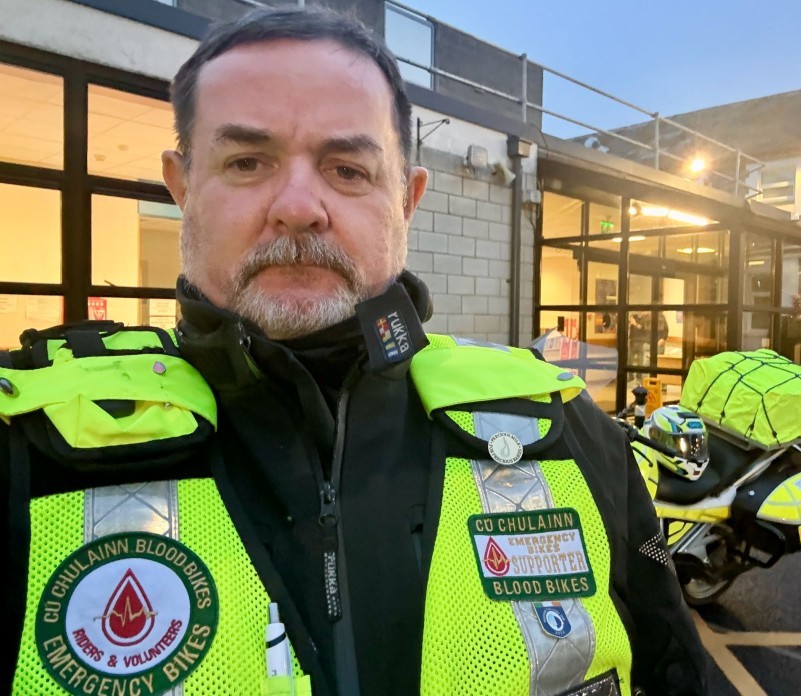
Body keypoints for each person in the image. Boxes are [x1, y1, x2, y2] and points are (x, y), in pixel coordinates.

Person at [1, 7, 709, 695]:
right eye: (248, 161)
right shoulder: (22, 449)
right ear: (182, 188)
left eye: (348, 169)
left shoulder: (566, 434)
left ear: (407, 199)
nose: (300, 205)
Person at [628, 311, 669, 382]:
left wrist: (663, 338)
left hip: (658, 343)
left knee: (658, 362)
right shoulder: (644, 318)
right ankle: (645, 380)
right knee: (645, 362)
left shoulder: (661, 317)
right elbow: (644, 328)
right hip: (648, 343)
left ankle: (657, 380)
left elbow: (666, 330)